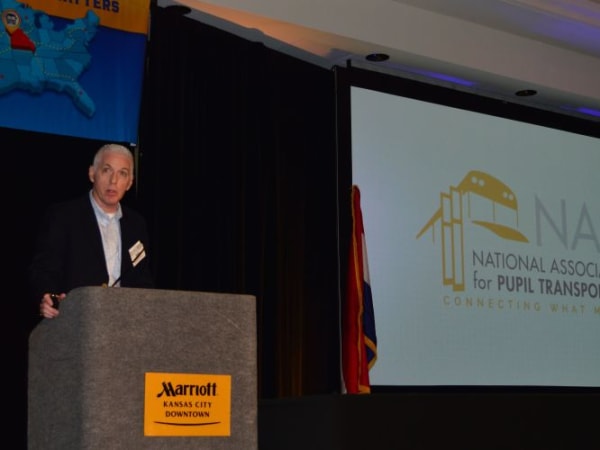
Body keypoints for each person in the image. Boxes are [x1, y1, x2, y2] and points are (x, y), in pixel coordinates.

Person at [29, 143, 154, 319]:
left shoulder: (136, 224)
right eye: (107, 170)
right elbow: (44, 269)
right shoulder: (64, 216)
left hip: (124, 322)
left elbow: (141, 278)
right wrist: (47, 296)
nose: (113, 180)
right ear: (92, 173)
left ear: (129, 183)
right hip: (76, 319)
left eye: (122, 173)